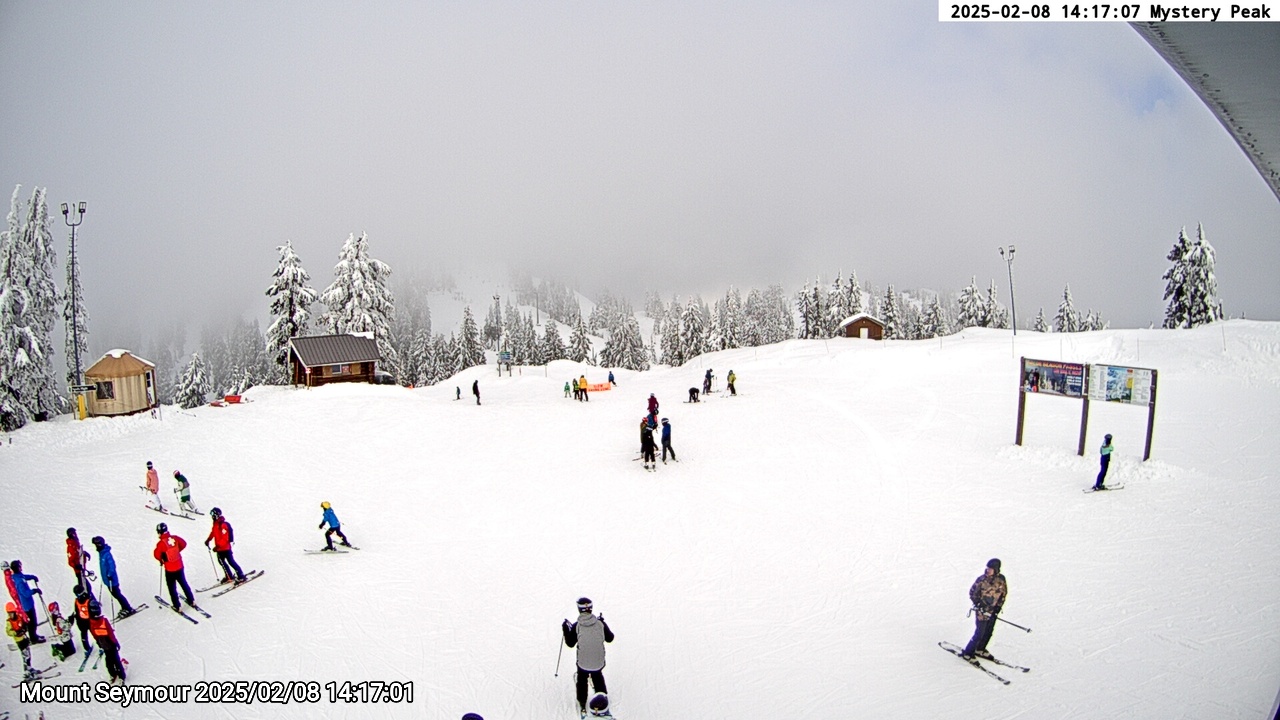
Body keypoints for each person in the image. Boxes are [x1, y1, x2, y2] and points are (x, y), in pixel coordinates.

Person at [561, 597, 614, 717]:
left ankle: (582, 701)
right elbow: (610, 638)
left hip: (583, 664)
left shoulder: (577, 626)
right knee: (597, 675)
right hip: (599, 663)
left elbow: (570, 643)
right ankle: (602, 697)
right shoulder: (600, 623)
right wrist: (603, 625)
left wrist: (565, 630)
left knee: (582, 678)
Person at [962, 558, 1007, 660]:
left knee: (988, 632)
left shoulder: (1001, 580)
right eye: (987, 568)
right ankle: (968, 652)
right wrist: (978, 603)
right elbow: (972, 592)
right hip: (982, 612)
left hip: (992, 611)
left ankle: (980, 649)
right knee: (980, 632)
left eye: (991, 569)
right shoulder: (981, 580)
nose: (988, 570)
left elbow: (1003, 594)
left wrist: (998, 607)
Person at [153, 522, 197, 610]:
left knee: (172, 587)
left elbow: (156, 554)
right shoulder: (174, 538)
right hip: (179, 566)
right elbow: (183, 543)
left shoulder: (161, 543)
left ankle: (177, 606)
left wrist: (162, 559)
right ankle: (191, 600)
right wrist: (176, 551)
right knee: (183, 583)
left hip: (170, 569)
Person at [91, 536, 136, 618]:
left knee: (117, 594)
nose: (96, 547)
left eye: (96, 545)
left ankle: (128, 608)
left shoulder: (107, 554)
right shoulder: (102, 553)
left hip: (112, 580)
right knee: (116, 595)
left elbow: (112, 566)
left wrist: (109, 574)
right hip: (107, 580)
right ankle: (125, 607)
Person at [87, 600, 126, 683]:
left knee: (109, 660)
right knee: (116, 660)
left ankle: (112, 674)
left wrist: (99, 643)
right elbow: (111, 634)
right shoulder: (104, 621)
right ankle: (121, 676)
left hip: (103, 644)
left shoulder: (91, 623)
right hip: (110, 643)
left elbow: (94, 634)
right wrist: (116, 643)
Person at [205, 507, 247, 584]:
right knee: (221, 562)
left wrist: (218, 546)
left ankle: (241, 576)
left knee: (231, 562)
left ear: (217, 515)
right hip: (219, 549)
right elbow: (213, 533)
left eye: (213, 514)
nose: (212, 516)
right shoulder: (215, 524)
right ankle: (229, 576)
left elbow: (225, 538)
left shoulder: (223, 525)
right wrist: (208, 540)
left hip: (225, 548)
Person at [9, 560, 44, 643]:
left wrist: (32, 577)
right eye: (20, 566)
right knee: (32, 622)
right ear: (17, 568)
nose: (21, 567)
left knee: (32, 621)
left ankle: (34, 635)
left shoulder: (17, 576)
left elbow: (24, 577)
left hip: (28, 603)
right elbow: (25, 594)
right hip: (27, 605)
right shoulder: (19, 581)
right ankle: (33, 638)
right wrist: (34, 590)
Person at [5, 601, 37, 680]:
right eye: (9, 613)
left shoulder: (18, 617)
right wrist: (16, 632)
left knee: (28, 654)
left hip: (24, 638)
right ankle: (26, 672)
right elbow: (8, 632)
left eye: (11, 613)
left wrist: (24, 628)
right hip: (19, 640)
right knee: (25, 656)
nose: (10, 615)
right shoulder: (9, 622)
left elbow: (23, 623)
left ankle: (29, 668)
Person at [3, 560, 30, 635]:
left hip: (14, 593)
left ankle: (24, 622)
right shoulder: (8, 574)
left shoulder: (8, 574)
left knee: (20, 606)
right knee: (20, 607)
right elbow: (12, 585)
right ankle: (25, 622)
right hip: (15, 593)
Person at [71, 584, 93, 657]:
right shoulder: (86, 599)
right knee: (88, 634)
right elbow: (77, 611)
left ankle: (88, 648)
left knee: (85, 634)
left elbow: (77, 611)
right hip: (86, 621)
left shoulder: (83, 600)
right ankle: (88, 648)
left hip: (85, 621)